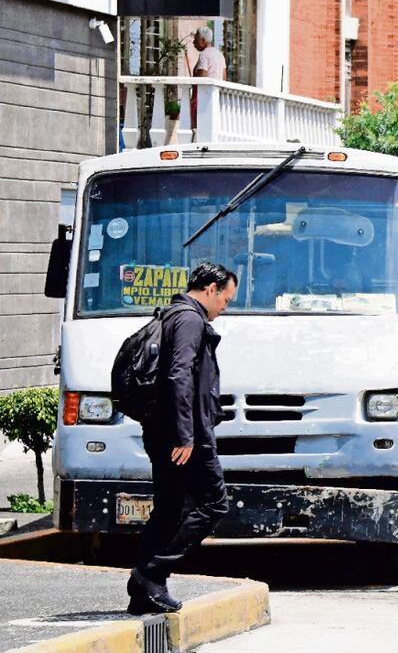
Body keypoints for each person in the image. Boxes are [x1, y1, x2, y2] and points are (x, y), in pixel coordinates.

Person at [127, 263, 237, 615]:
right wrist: (186, 436)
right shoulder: (189, 319)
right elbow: (178, 377)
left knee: (170, 508)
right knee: (213, 504)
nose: (225, 307)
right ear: (211, 289)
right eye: (226, 299)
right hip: (185, 435)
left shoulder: (173, 314)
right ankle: (152, 572)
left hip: (166, 430)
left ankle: (143, 589)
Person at [189, 26, 227, 129]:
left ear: (202, 40)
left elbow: (202, 77)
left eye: (195, 39)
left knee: (199, 130)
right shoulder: (220, 55)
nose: (193, 43)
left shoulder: (204, 55)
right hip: (216, 100)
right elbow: (224, 78)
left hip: (203, 101)